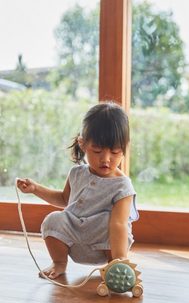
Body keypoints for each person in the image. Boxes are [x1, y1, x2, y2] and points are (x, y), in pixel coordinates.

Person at [17, 101, 139, 279]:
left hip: (105, 244)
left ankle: (114, 268)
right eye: (97, 150)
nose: (106, 159)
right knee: (53, 219)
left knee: (111, 222)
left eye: (115, 152)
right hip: (73, 240)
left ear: (124, 148)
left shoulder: (123, 186)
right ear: (82, 144)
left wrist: (120, 259)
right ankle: (59, 263)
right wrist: (36, 189)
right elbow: (64, 199)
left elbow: (119, 225)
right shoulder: (76, 173)